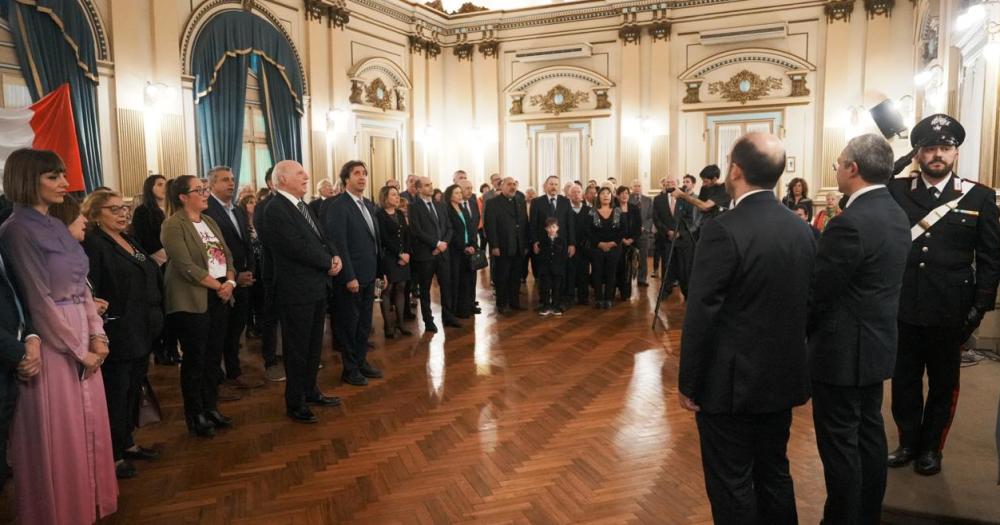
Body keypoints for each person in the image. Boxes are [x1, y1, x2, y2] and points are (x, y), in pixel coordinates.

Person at [677, 133, 814, 525]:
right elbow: (809, 303)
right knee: (774, 472)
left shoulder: (722, 229)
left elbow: (702, 312)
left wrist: (688, 382)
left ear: (734, 170)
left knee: (732, 482)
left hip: (729, 386)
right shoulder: (801, 229)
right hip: (783, 377)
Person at [0, 148, 118, 524]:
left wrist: (97, 337)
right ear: (27, 179)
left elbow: (82, 286)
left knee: (89, 429)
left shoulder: (56, 223)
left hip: (82, 333)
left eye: (62, 175)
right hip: (54, 343)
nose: (65, 183)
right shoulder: (15, 230)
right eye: (53, 176)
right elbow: (36, 298)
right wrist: (78, 351)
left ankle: (89, 503)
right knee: (59, 436)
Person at [885, 114, 1000, 475]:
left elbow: (991, 259)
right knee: (903, 382)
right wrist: (901, 160)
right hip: (903, 307)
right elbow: (856, 194)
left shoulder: (978, 196)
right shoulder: (897, 191)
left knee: (943, 384)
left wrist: (978, 310)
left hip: (951, 311)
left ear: (955, 153)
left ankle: (931, 448)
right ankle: (907, 441)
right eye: (929, 148)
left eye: (945, 148)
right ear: (918, 154)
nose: (938, 154)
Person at [808, 133, 911, 524]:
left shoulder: (849, 223)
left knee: (840, 449)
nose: (836, 168)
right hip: (877, 346)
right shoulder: (895, 212)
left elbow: (821, 292)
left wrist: (802, 334)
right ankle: (867, 515)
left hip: (841, 353)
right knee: (869, 437)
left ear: (853, 168)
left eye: (838, 162)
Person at [82, 190, 164, 480]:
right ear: (94, 214)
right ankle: (113, 455)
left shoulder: (128, 239)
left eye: (124, 208)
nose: (122, 213)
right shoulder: (94, 243)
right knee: (116, 393)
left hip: (142, 325)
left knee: (132, 390)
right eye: (113, 209)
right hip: (117, 328)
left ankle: (128, 442)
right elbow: (93, 288)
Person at [257, 160, 342, 423]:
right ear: (282, 179)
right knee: (296, 349)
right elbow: (295, 247)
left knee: (313, 346)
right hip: (295, 290)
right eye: (299, 173)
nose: (306, 175)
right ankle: (295, 402)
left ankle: (310, 390)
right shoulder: (275, 209)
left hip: (315, 287)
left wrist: (335, 254)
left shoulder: (301, 204)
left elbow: (321, 236)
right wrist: (327, 262)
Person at [161, 175, 235, 437]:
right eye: (199, 190)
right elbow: (185, 266)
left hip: (220, 295)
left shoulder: (210, 221)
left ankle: (211, 407)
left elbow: (226, 255)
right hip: (192, 299)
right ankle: (196, 415)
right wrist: (219, 286)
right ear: (183, 197)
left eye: (205, 189)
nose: (205, 194)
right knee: (195, 360)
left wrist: (230, 282)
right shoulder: (173, 225)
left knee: (214, 358)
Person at [325, 160, 383, 387]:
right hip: (352, 277)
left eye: (365, 173)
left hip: (369, 275)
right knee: (348, 325)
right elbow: (338, 244)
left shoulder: (368, 204)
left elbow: (374, 242)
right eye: (357, 173)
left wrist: (380, 272)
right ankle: (349, 369)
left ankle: (360, 361)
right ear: (346, 179)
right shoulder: (338, 205)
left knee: (363, 325)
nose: (362, 177)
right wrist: (348, 276)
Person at [204, 167, 261, 394]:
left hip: (243, 281)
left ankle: (234, 372)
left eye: (233, 179)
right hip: (222, 283)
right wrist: (234, 276)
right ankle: (216, 379)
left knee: (236, 330)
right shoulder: (208, 211)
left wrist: (249, 271)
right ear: (212, 185)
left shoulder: (237, 210)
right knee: (219, 333)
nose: (231, 183)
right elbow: (212, 251)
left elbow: (247, 243)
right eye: (225, 180)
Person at [0, 216, 39, 494]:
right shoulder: (13, 229)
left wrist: (32, 337)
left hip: (12, 358)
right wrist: (19, 353)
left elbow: (19, 295)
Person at [130, 174, 178, 366]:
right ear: (150, 188)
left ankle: (172, 346)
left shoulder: (171, 209)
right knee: (162, 308)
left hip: (174, 262)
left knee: (173, 307)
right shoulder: (143, 211)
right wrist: (168, 253)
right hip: (157, 262)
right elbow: (144, 239)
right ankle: (160, 350)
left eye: (165, 184)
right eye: (159, 184)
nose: (163, 187)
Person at [408, 176, 458, 332]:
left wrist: (443, 244)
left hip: (442, 253)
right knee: (425, 289)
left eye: (431, 184)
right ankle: (428, 320)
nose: (430, 187)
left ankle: (448, 316)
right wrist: (436, 244)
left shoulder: (440, 205)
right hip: (426, 254)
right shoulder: (414, 207)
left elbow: (449, 228)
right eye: (426, 185)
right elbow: (417, 231)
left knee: (446, 286)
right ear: (418, 188)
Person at [251, 168, 284, 383]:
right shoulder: (263, 207)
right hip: (273, 270)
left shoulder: (299, 205)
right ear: (272, 183)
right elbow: (270, 240)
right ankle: (271, 361)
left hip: (296, 274)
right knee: (271, 317)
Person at [484, 177, 529, 314]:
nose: (512, 187)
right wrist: (494, 246)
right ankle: (502, 304)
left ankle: (514, 302)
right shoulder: (493, 203)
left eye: (514, 184)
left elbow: (524, 224)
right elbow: (490, 226)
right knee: (502, 276)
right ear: (501, 187)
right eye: (509, 184)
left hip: (518, 245)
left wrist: (525, 243)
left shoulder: (520, 201)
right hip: (502, 246)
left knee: (516, 276)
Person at [375, 186, 412, 338]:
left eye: (397, 195)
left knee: (401, 288)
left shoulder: (399, 214)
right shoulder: (379, 215)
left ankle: (401, 323)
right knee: (388, 289)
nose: (397, 198)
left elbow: (407, 235)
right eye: (393, 195)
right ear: (385, 197)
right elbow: (383, 238)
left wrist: (407, 253)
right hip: (388, 257)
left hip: (404, 256)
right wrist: (399, 254)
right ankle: (388, 327)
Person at [445, 184, 478, 319]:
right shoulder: (447, 210)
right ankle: (456, 311)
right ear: (450, 195)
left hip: (468, 249)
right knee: (456, 280)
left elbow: (470, 228)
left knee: (467, 280)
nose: (460, 195)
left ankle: (467, 308)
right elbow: (450, 231)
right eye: (456, 193)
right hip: (455, 251)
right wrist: (463, 246)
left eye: (460, 192)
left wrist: (472, 245)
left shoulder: (463, 208)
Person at [586, 187, 623, 309]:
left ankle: (609, 298)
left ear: (611, 196)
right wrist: (600, 244)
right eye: (603, 194)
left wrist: (612, 243)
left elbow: (622, 231)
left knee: (611, 273)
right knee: (597, 272)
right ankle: (599, 299)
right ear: (598, 196)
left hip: (614, 247)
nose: (606, 196)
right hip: (596, 247)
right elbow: (588, 232)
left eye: (608, 193)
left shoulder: (617, 211)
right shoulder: (592, 212)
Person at [614, 186, 641, 301]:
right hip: (618, 244)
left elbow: (638, 226)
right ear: (617, 195)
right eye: (622, 193)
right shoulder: (615, 209)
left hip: (632, 243)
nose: (625, 195)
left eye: (626, 193)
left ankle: (626, 293)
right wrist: (622, 239)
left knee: (630, 269)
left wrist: (632, 239)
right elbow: (614, 227)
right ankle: (617, 289)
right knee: (619, 268)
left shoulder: (634, 208)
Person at [536, 217, 567, 316]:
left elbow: (564, 255)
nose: (551, 229)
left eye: (553, 227)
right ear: (546, 229)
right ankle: (546, 306)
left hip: (558, 270)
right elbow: (541, 255)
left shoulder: (562, 241)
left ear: (557, 228)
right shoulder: (543, 241)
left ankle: (555, 306)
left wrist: (561, 267)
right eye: (549, 227)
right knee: (545, 288)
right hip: (545, 270)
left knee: (556, 288)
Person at [567, 183, 591, 305]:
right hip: (570, 246)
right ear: (569, 195)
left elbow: (592, 228)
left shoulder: (589, 210)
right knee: (570, 272)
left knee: (584, 272)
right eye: (573, 192)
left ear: (582, 195)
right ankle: (570, 297)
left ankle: (583, 297)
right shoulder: (566, 210)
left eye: (578, 192)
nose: (576, 195)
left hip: (584, 247)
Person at [651, 177, 676, 282]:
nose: (669, 183)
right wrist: (667, 231)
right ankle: (665, 285)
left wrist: (679, 232)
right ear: (664, 185)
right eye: (667, 182)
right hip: (664, 235)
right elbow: (656, 218)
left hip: (680, 236)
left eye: (672, 181)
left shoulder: (684, 198)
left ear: (677, 184)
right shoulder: (658, 199)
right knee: (665, 261)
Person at [630, 180, 654, 287]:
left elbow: (651, 216)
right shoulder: (628, 198)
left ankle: (642, 279)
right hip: (630, 233)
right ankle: (628, 278)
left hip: (643, 233)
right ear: (631, 187)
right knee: (630, 257)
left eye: (639, 185)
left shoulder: (648, 200)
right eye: (635, 186)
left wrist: (643, 227)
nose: (637, 187)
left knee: (643, 258)